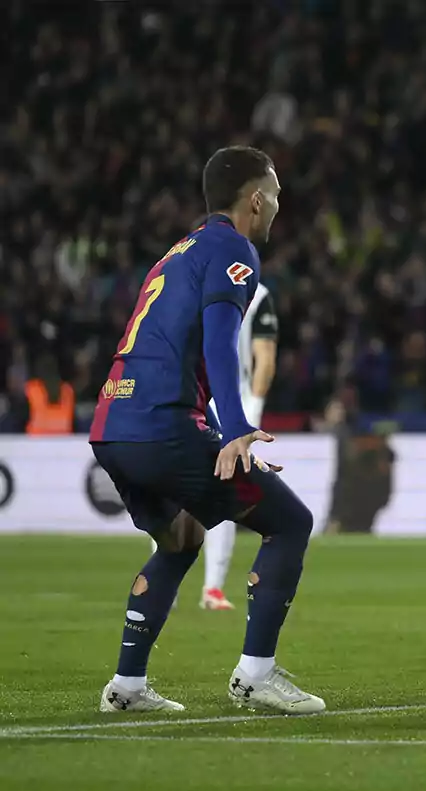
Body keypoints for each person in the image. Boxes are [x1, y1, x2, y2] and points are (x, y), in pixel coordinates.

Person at [88, 146, 324, 715]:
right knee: (290, 522)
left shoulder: (179, 251)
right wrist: (239, 428)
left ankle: (126, 685)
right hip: (161, 423)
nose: (278, 204)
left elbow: (173, 351)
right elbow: (221, 343)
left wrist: (221, 434)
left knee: (181, 538)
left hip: (113, 423)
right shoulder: (232, 249)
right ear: (256, 199)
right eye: (275, 193)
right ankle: (255, 675)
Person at [197, 278, 278, 611]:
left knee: (176, 491)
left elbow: (265, 360)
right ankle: (211, 587)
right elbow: (266, 359)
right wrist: (250, 412)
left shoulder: (188, 285)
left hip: (193, 403)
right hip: (225, 407)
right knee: (224, 494)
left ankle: (168, 584)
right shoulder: (258, 295)